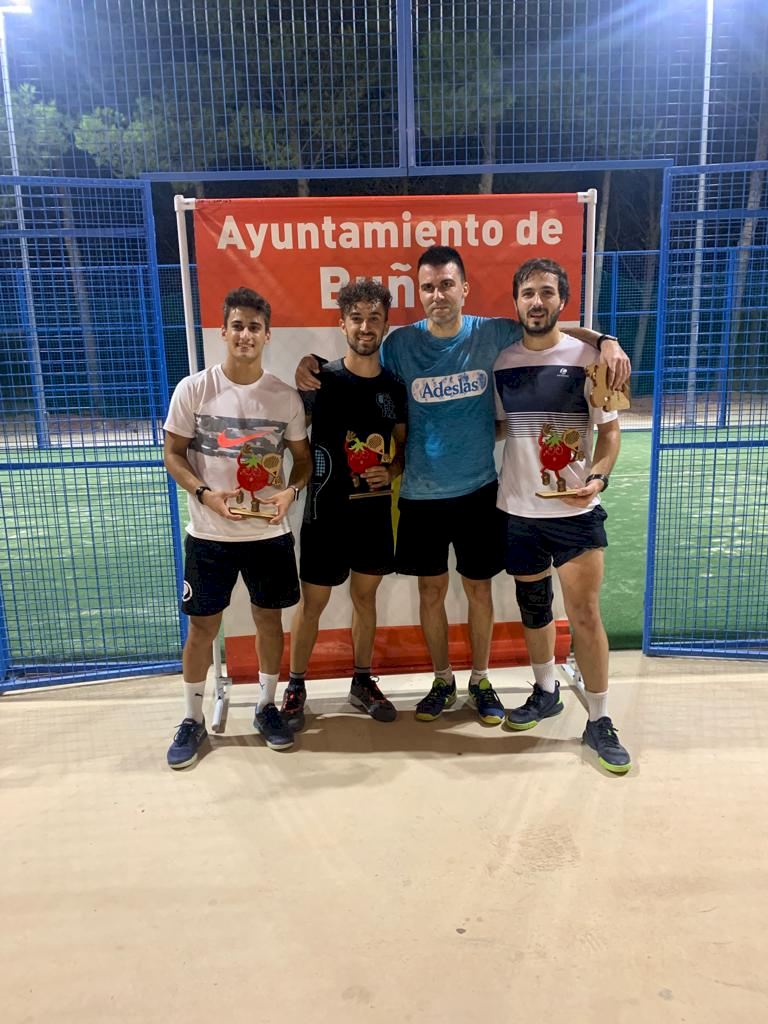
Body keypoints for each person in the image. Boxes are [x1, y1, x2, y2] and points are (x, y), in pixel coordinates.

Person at [297, 245, 630, 727]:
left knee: (479, 592)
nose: (438, 295)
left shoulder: (493, 332)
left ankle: (480, 679)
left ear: (464, 289)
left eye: (447, 285)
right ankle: (442, 681)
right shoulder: (400, 344)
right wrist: (311, 363)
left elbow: (551, 330)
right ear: (419, 293)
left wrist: (605, 340)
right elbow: (357, 358)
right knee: (431, 594)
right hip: (419, 495)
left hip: (480, 491)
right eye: (429, 287)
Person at [164, 286, 312, 768]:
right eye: (237, 326)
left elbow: (302, 460)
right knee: (202, 628)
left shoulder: (284, 397)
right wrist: (205, 494)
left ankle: (266, 707)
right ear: (223, 332)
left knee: (269, 622)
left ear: (267, 335)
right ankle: (192, 718)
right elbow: (173, 454)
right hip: (210, 536)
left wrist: (290, 492)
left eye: (254, 327)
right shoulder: (193, 390)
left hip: (268, 535)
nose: (245, 334)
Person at [494, 257, 631, 773]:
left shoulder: (593, 360)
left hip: (576, 511)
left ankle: (599, 719)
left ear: (562, 300)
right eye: (528, 293)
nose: (537, 302)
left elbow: (610, 433)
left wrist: (598, 478)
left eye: (547, 292)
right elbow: (503, 427)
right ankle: (546, 690)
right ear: (516, 302)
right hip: (518, 509)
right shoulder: (501, 362)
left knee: (585, 615)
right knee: (534, 607)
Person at [281, 279, 408, 731]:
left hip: (373, 515)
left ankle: (361, 681)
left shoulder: (395, 387)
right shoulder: (320, 380)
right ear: (342, 324)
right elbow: (292, 439)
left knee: (365, 598)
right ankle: (295, 685)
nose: (365, 327)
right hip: (324, 515)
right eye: (356, 318)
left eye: (374, 318)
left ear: (386, 325)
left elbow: (401, 448)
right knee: (312, 603)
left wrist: (391, 470)